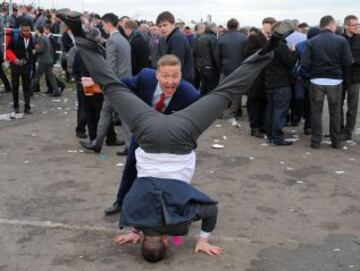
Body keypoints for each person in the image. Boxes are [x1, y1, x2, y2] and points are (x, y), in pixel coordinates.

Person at [56, 8, 291, 262]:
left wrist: (202, 240)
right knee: (112, 86)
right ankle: (78, 32)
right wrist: (135, 230)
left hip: (179, 135)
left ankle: (272, 46)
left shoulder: (180, 226)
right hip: (150, 132)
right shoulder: (130, 215)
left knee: (225, 91)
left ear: (167, 243)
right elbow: (132, 203)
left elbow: (211, 209)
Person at [104, 55, 200, 216]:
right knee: (131, 165)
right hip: (144, 132)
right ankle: (121, 202)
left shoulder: (190, 95)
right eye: (165, 76)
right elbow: (121, 86)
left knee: (174, 173)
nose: (170, 81)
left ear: (181, 75)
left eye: (175, 76)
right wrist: (100, 84)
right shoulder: (145, 77)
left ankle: (177, 209)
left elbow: (193, 125)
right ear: (157, 75)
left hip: (172, 137)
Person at [80, 12, 131, 155]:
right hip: (123, 83)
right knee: (107, 113)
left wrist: (105, 84)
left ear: (108, 24)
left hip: (114, 85)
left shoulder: (112, 41)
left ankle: (123, 145)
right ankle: (97, 143)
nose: (103, 28)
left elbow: (110, 67)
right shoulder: (123, 40)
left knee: (119, 115)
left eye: (103, 24)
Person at [302, 15, 353, 149]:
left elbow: (305, 64)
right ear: (331, 25)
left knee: (316, 112)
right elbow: (348, 62)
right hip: (335, 80)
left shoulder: (311, 42)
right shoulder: (341, 41)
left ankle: (316, 141)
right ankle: (336, 142)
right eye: (335, 25)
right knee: (335, 111)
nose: (336, 27)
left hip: (316, 79)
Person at [265, 21, 298, 146]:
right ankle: (277, 137)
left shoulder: (268, 44)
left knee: (271, 109)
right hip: (281, 82)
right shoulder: (281, 46)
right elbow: (290, 62)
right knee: (280, 110)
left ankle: (270, 136)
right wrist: (294, 51)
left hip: (270, 81)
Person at [244, 17, 276, 138]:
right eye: (271, 25)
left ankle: (263, 126)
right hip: (256, 75)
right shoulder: (254, 37)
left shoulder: (271, 38)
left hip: (267, 75)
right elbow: (247, 53)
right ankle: (255, 127)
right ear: (264, 25)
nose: (272, 28)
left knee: (264, 102)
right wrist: (264, 51)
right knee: (255, 102)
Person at [218, 18, 248, 119]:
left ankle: (219, 112)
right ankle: (233, 113)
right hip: (239, 68)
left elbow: (217, 55)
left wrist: (220, 67)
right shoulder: (244, 38)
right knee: (237, 92)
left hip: (225, 68)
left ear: (228, 26)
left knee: (222, 91)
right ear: (237, 25)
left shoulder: (221, 38)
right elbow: (246, 54)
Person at [6, 23, 35, 114]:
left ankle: (27, 107)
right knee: (15, 87)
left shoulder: (33, 39)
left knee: (26, 87)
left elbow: (36, 47)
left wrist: (35, 51)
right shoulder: (15, 38)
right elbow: (8, 50)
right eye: (24, 31)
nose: (26, 32)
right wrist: (15, 59)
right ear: (21, 31)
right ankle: (16, 106)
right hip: (15, 66)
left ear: (30, 30)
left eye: (28, 30)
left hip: (26, 66)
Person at [157, 11, 194, 83]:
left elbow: (175, 64)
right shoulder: (173, 36)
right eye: (160, 26)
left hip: (182, 79)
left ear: (173, 24)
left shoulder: (176, 38)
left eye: (165, 25)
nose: (162, 28)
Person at [341, 15, 360, 141]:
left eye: (358, 25)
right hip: (340, 77)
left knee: (352, 108)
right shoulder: (338, 39)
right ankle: (338, 130)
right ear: (346, 26)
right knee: (337, 106)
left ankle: (348, 132)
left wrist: (353, 60)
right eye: (355, 25)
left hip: (355, 78)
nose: (357, 27)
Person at [31, 26, 61, 97]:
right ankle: (57, 91)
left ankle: (30, 91)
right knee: (51, 77)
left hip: (43, 61)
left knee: (37, 76)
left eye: (35, 30)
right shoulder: (46, 38)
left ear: (38, 31)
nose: (35, 31)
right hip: (49, 60)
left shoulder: (40, 38)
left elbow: (41, 49)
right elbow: (50, 50)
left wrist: (35, 51)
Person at [196, 22, 220, 96]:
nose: (217, 29)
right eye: (216, 28)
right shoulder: (213, 38)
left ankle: (201, 105)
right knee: (211, 90)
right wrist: (219, 68)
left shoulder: (201, 38)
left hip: (202, 68)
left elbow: (197, 53)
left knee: (203, 89)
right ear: (213, 28)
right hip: (210, 68)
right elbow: (216, 55)